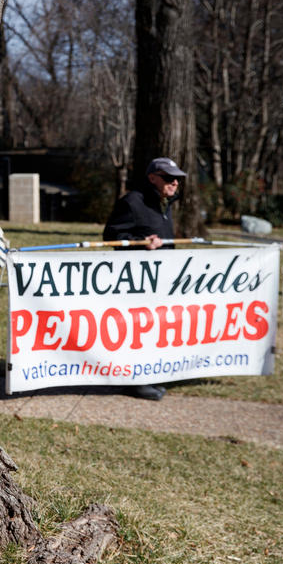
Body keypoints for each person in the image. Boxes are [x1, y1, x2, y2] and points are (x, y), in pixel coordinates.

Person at [103, 156, 187, 401]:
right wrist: (141, 244)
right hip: (136, 281)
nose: (175, 183)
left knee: (154, 328)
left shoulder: (164, 204)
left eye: (177, 179)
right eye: (169, 178)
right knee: (138, 329)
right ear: (152, 178)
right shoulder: (133, 201)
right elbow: (112, 235)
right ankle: (135, 381)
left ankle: (148, 374)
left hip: (159, 279)